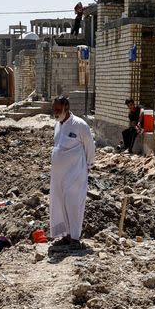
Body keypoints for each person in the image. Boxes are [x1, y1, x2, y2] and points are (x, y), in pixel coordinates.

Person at [49, 95, 95, 250]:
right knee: (60, 203)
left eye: (57, 109)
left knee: (74, 204)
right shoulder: (57, 125)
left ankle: (75, 238)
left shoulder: (80, 125)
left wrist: (88, 166)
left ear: (66, 108)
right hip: (59, 176)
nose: (55, 112)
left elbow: (90, 147)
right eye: (53, 109)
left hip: (76, 174)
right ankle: (65, 236)